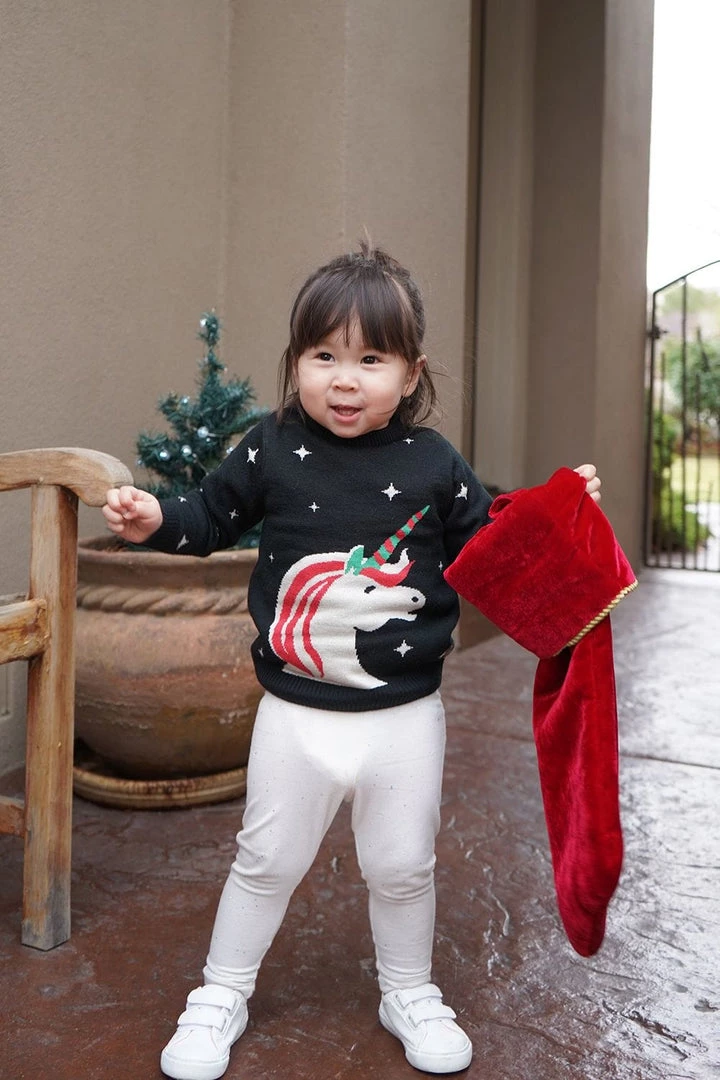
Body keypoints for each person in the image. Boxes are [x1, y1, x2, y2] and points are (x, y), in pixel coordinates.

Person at [103, 243, 601, 1080]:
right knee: (266, 861)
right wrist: (156, 518)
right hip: (295, 716)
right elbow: (210, 516)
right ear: (295, 362)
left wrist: (558, 515)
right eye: (323, 356)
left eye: (371, 360)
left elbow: (495, 547)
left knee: (403, 866)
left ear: (410, 374)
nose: (344, 379)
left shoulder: (434, 463)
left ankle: (408, 991)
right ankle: (221, 992)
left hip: (404, 717)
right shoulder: (271, 446)